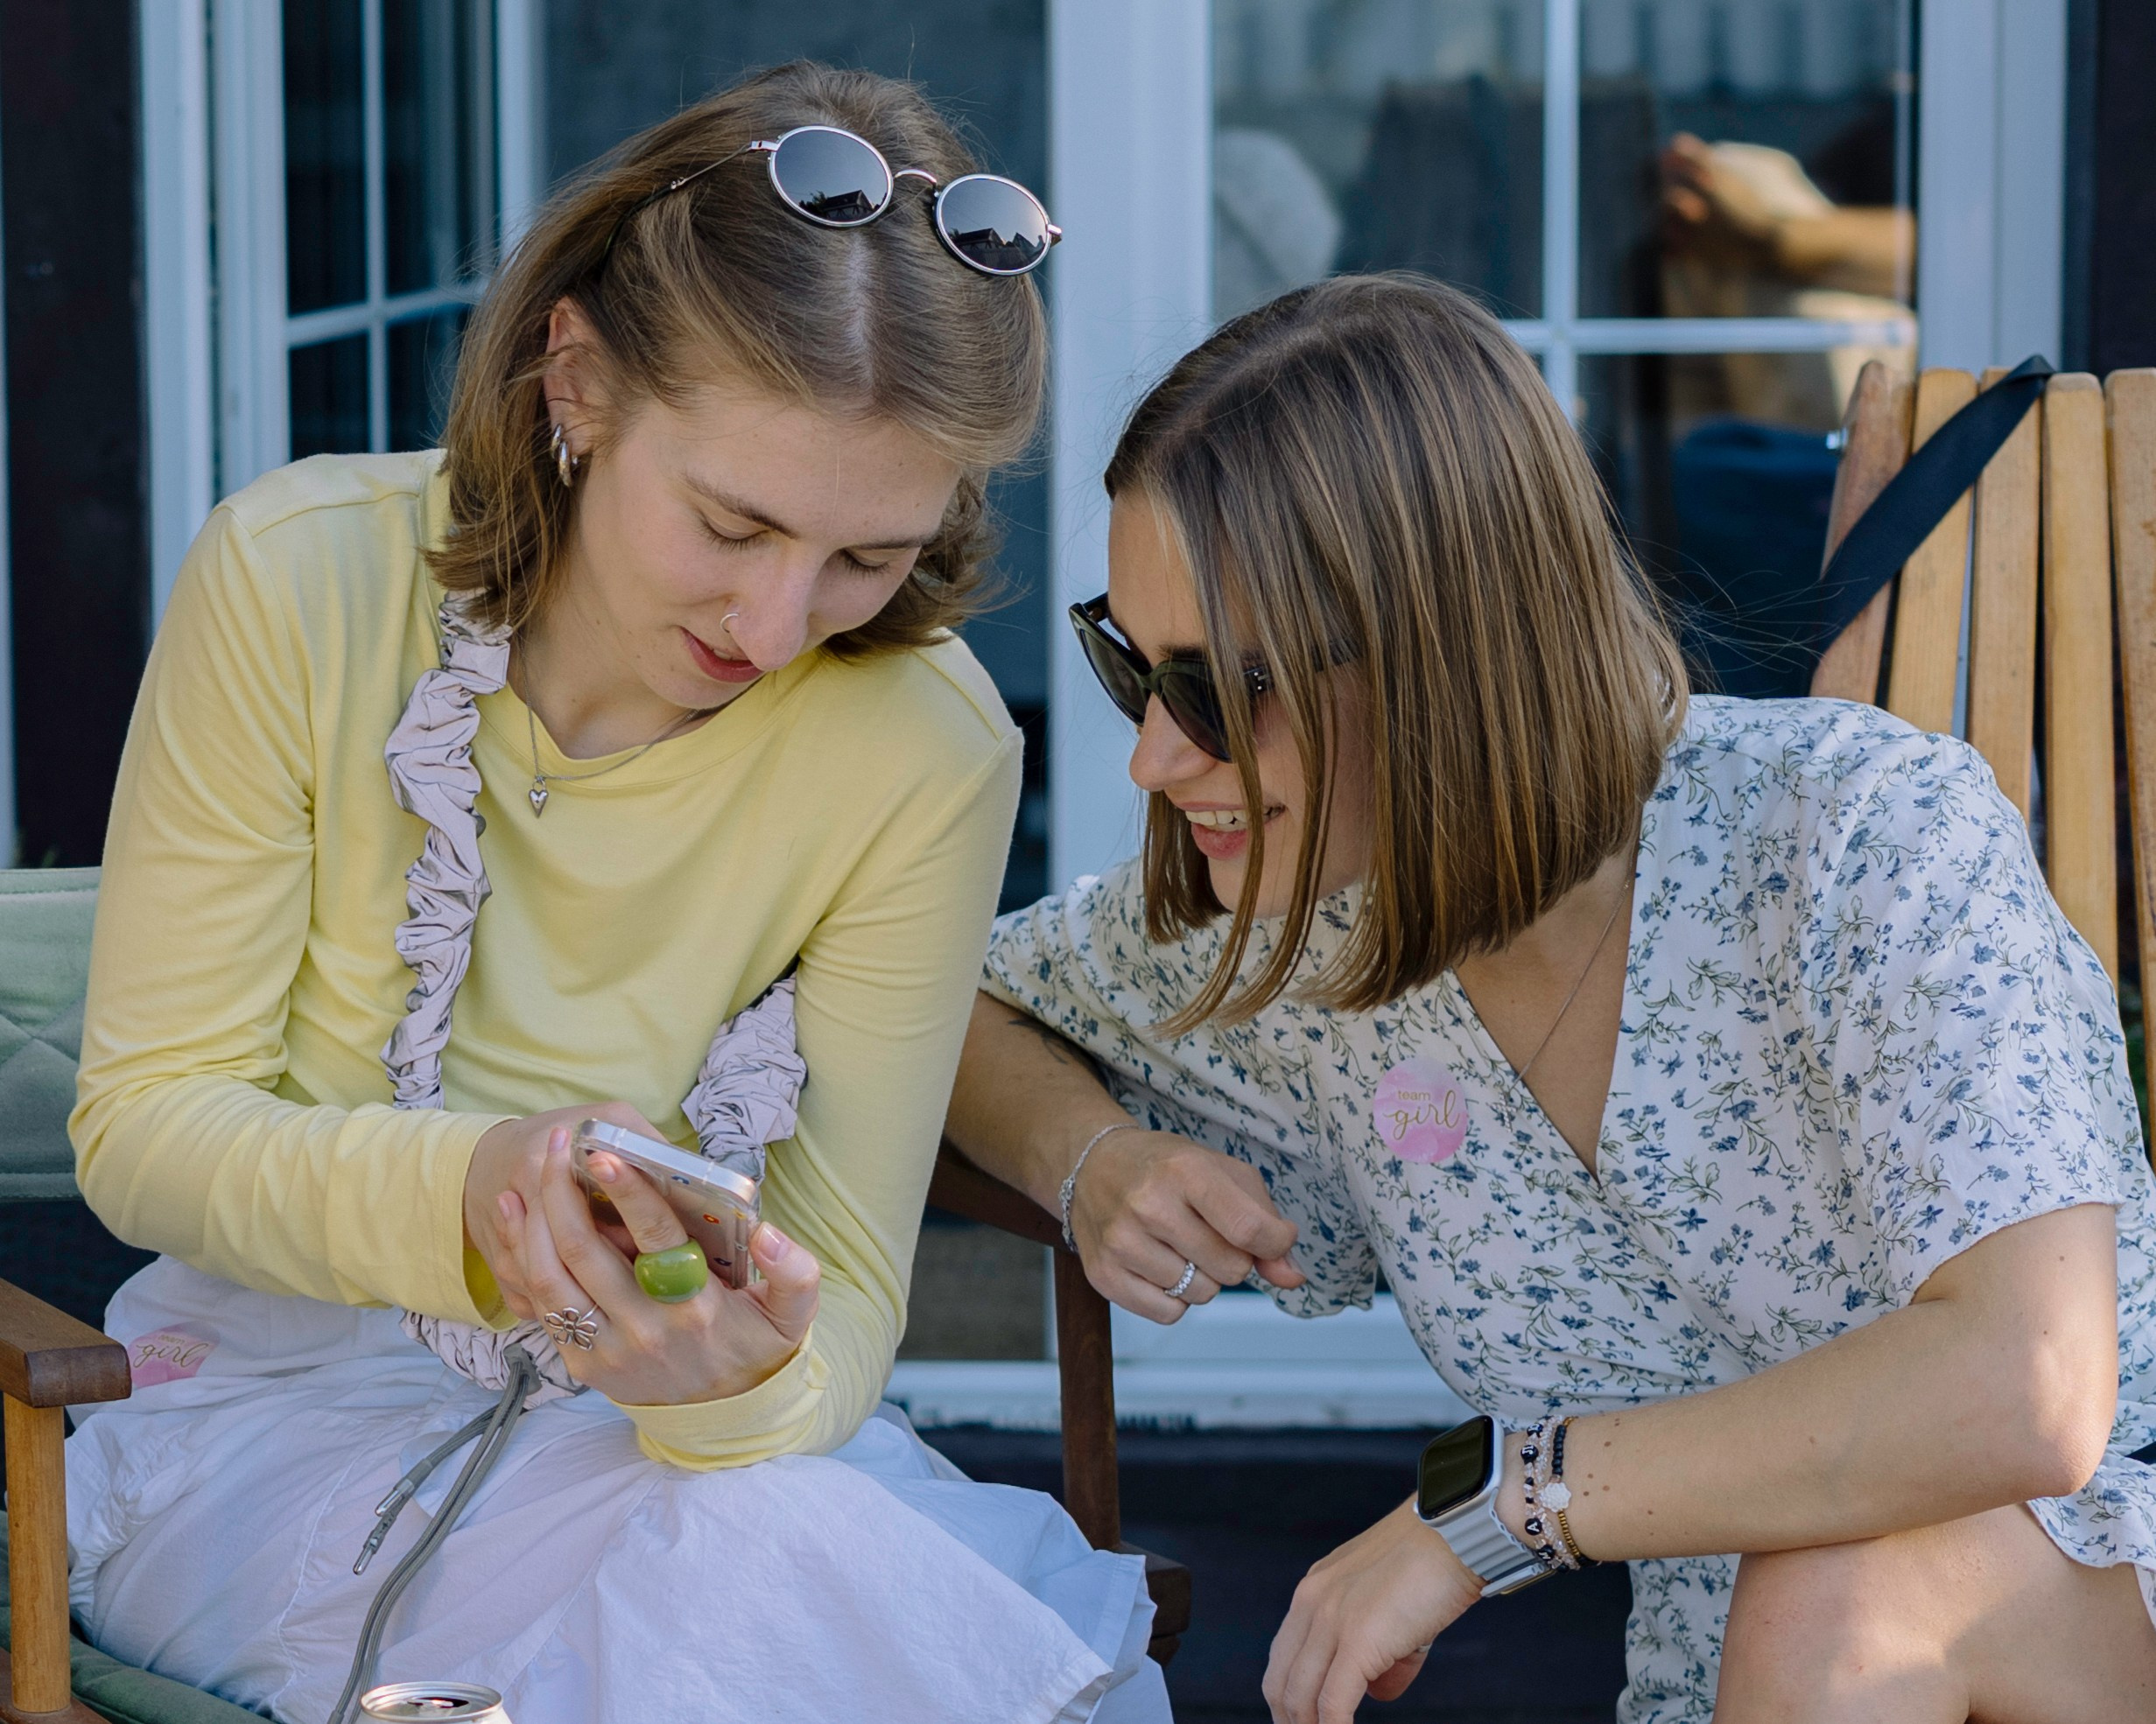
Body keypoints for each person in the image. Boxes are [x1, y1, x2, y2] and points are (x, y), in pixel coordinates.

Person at [67, 62, 1165, 1724]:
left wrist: (734, 1385)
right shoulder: (296, 583)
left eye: (868, 557)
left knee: (768, 1567)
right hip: (263, 1420)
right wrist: (480, 1196)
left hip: (689, 1461)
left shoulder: (926, 745)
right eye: (733, 522)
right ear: (572, 381)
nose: (783, 620)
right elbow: (146, 1128)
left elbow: (852, 1290)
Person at [947, 272, 2156, 1724]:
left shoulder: (1861, 841)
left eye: (1215, 690)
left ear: (1442, 655)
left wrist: (1503, 1502)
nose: (1153, 755)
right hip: (1735, 1694)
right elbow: (945, 1004)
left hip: (2071, 1605)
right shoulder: (1312, 934)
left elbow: (2029, 1383)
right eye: (1128, 665)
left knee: (1845, 1591)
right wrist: (1093, 1161)